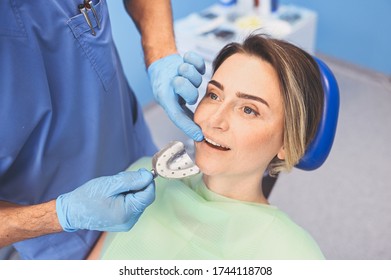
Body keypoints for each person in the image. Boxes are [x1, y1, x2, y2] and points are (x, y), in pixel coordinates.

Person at [87, 34, 326, 260]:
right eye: (214, 95)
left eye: (248, 110)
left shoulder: (296, 256)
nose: (214, 120)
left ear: (287, 142)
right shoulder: (143, 181)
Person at [0, 0, 205, 259]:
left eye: (249, 109)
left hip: (134, 152)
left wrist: (161, 54)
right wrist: (63, 214)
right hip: (58, 239)